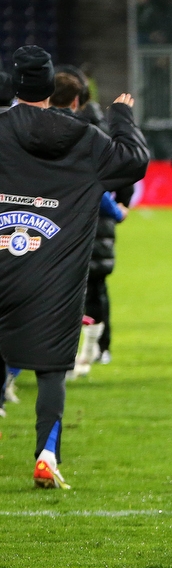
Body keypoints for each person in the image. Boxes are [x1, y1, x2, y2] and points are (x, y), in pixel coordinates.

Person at [0, 45, 150, 489]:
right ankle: (47, 453)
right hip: (54, 276)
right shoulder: (82, 138)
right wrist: (121, 116)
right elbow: (135, 161)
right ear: (51, 88)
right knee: (50, 370)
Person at [48, 71, 131, 378]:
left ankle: (74, 355)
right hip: (94, 222)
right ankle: (93, 349)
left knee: (68, 292)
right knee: (93, 289)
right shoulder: (98, 131)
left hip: (63, 224)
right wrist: (119, 208)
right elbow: (123, 170)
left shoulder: (54, 131)